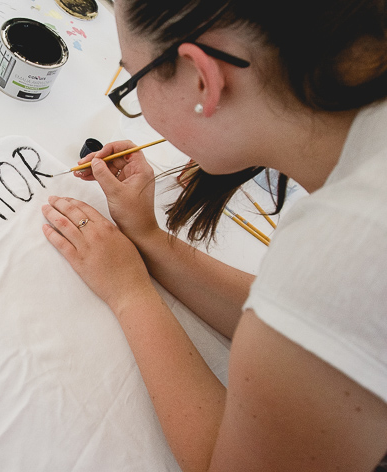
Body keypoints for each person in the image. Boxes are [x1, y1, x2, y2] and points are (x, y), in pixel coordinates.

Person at [41, 0, 387, 470]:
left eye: (132, 81)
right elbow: (306, 329)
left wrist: (129, 292)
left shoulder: (346, 250)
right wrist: (149, 239)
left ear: (202, 78)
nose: (135, 102)